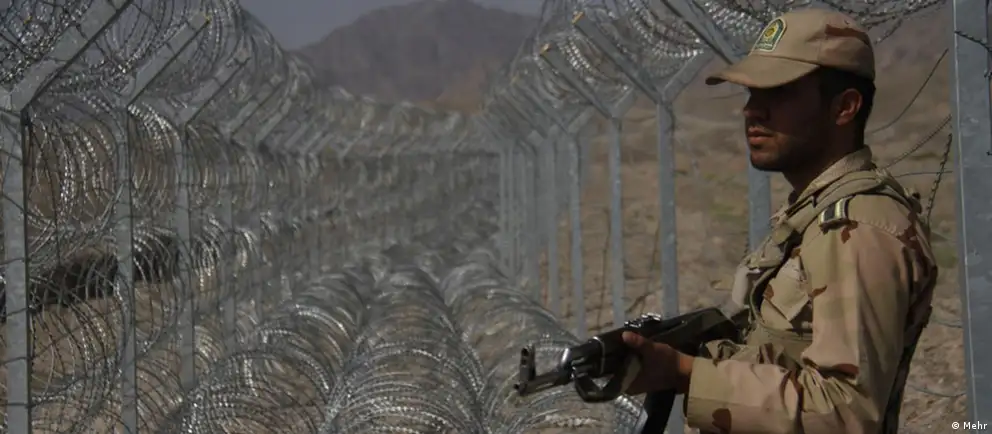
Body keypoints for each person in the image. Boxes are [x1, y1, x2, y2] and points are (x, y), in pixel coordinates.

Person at [620, 7, 938, 434]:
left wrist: (686, 374)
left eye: (779, 94)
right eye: (752, 94)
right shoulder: (814, 214)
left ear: (845, 107)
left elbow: (845, 412)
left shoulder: (857, 229)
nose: (752, 111)